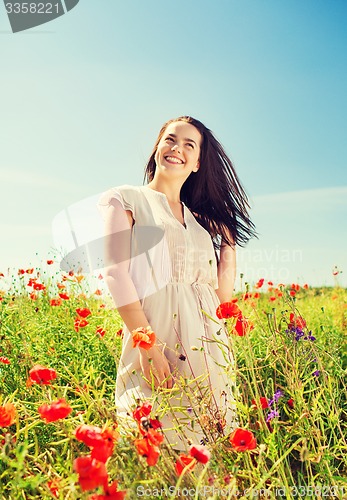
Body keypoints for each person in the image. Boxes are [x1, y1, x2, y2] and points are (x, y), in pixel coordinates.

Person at [98, 116, 256, 450]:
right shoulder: (126, 199)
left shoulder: (200, 222)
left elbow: (218, 298)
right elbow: (115, 271)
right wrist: (148, 346)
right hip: (158, 338)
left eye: (189, 145)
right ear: (158, 146)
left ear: (198, 162)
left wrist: (228, 246)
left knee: (208, 451)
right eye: (170, 139)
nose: (176, 149)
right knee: (157, 441)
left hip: (207, 346)